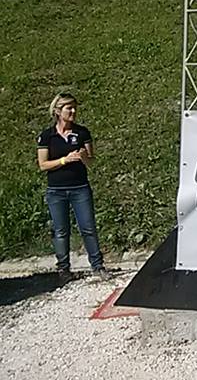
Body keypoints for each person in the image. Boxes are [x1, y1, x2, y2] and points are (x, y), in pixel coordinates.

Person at [36, 93, 109, 283]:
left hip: (80, 188)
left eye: (75, 107)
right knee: (61, 230)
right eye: (69, 108)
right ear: (58, 111)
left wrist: (84, 157)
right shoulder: (47, 136)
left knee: (88, 227)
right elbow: (43, 165)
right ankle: (63, 269)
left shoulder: (82, 133)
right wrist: (64, 160)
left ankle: (97, 266)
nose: (74, 111)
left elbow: (91, 161)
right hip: (56, 190)